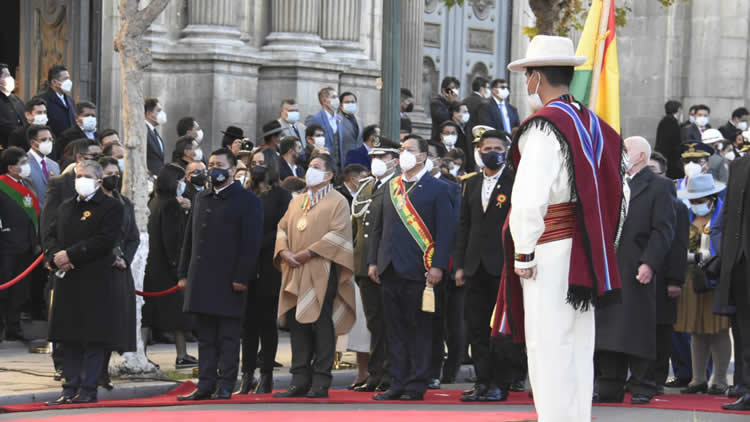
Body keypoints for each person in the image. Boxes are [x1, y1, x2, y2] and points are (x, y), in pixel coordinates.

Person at [492, 35, 625, 422]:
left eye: (527, 76)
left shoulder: (544, 127)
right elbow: (621, 191)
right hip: (583, 252)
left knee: (548, 347)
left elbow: (529, 196)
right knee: (578, 349)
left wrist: (523, 252)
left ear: (535, 78)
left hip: (549, 250)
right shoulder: (595, 124)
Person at [368, 136, 457, 400]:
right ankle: (397, 381)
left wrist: (439, 265)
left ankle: (417, 383)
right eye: (402, 149)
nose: (404, 154)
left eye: (409, 150)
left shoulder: (437, 188)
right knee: (394, 330)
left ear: (422, 156)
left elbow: (446, 231)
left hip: (421, 271)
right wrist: (373, 260)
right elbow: (378, 228)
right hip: (389, 268)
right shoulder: (391, 187)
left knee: (419, 328)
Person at [176, 148, 263, 401]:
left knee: (227, 336)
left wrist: (241, 277)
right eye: (210, 163)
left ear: (233, 170)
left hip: (229, 279)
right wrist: (183, 273)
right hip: (201, 277)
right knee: (205, 336)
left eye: (219, 164)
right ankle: (205, 383)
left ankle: (225, 383)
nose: (213, 168)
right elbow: (189, 240)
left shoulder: (247, 201)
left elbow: (251, 243)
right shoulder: (203, 198)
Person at [594, 136, 675, 405]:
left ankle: (643, 384)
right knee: (607, 327)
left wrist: (650, 262)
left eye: (624, 150)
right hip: (609, 266)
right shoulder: (611, 183)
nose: (619, 155)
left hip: (636, 266)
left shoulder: (659, 187)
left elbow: (663, 230)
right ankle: (609, 384)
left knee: (637, 327)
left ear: (640, 156)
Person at [273, 153, 356, 399]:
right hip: (295, 268)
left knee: (320, 322)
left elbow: (340, 234)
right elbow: (282, 228)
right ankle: (299, 379)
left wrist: (310, 252)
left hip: (322, 268)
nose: (311, 170)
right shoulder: (296, 201)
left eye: (317, 167)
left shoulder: (338, 201)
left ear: (329, 175)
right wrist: (285, 251)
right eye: (309, 166)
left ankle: (321, 380)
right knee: (297, 322)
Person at [44, 160, 124, 405]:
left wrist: (72, 255)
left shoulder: (111, 207)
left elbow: (104, 240)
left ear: (99, 181)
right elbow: (50, 235)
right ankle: (69, 388)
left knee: (92, 337)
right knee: (69, 336)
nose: (81, 180)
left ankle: (88, 388)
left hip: (95, 279)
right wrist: (55, 257)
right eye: (79, 175)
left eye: (87, 176)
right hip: (68, 280)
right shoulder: (66, 206)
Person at [455, 129, 517, 401]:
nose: (491, 151)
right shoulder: (470, 183)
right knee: (476, 326)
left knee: (501, 329)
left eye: (497, 147)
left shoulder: (516, 180)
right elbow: (464, 226)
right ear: (478, 151)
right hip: (474, 266)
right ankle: (481, 381)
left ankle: (500, 383)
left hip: (503, 266)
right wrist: (459, 265)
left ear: (506, 150)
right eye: (486, 147)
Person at [237, 148, 291, 395]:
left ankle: (266, 374)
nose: (257, 166)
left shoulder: (282, 196)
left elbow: (282, 227)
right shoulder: (245, 193)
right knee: (247, 325)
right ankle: (246, 374)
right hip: (246, 265)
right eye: (254, 163)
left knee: (266, 322)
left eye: (262, 162)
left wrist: (256, 242)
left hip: (269, 265)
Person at [673, 173, 731, 396]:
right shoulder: (686, 216)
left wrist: (711, 256)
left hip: (715, 278)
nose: (697, 204)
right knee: (697, 330)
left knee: (718, 329)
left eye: (700, 200)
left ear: (712, 197)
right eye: (693, 200)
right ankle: (698, 379)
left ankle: (719, 379)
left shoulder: (722, 216)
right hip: (691, 279)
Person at [350, 139, 400, 393]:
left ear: (395, 160)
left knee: (389, 321)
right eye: (374, 156)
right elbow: (357, 225)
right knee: (373, 322)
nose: (377, 161)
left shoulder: (399, 185)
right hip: (363, 263)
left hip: (385, 264)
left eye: (384, 156)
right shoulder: (367, 185)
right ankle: (376, 373)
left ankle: (390, 374)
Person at [142, 163, 198, 369]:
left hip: (152, 266)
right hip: (168, 269)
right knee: (176, 315)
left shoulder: (154, 202)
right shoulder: (171, 206)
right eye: (181, 180)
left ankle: (144, 352)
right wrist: (179, 269)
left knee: (149, 314)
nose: (183, 184)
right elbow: (173, 239)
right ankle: (181, 354)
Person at [645, 152, 688, 391]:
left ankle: (657, 377)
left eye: (652, 170)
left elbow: (678, 246)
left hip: (664, 277)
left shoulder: (677, 207)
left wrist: (674, 279)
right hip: (641, 275)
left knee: (662, 329)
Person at [95, 156, 138, 390]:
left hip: (121, 270)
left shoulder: (125, 202)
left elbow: (133, 237)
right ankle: (95, 371)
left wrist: (125, 259)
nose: (114, 177)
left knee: (116, 323)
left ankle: (104, 371)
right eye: (109, 173)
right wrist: (111, 257)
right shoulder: (95, 202)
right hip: (100, 268)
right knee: (98, 322)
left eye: (116, 173)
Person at [718, 149, 750, 411]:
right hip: (740, 261)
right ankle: (747, 388)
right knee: (744, 328)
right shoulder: (738, 165)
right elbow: (729, 213)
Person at [0, 147, 39, 342]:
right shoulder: (1, 186)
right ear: (10, 167)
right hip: (6, 246)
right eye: (22, 163)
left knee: (20, 291)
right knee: (4, 289)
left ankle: (14, 328)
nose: (26, 167)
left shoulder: (27, 184)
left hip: (27, 245)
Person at [307, 87, 345, 169]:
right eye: (334, 97)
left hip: (339, 166)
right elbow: (309, 142)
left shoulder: (340, 119)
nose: (337, 100)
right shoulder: (315, 119)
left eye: (337, 97)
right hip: (324, 164)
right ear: (324, 101)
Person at [38, 65, 76, 139]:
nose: (69, 82)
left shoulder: (70, 100)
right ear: (54, 82)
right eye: (65, 79)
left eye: (69, 78)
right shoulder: (42, 99)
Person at [25, 125, 59, 207]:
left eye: (50, 139)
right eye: (44, 140)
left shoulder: (54, 165)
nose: (48, 142)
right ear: (32, 142)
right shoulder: (23, 164)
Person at [654, 100, 685, 179]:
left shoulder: (666, 121)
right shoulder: (671, 122)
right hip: (670, 161)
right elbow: (673, 143)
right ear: (678, 110)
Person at [0, 64, 25, 149]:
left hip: (20, 146)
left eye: (10, 75)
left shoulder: (16, 99)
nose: (11, 78)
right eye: (7, 76)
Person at [430, 76, 460, 141]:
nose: (455, 91)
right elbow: (443, 118)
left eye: (456, 89)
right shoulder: (436, 102)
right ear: (444, 90)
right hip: (439, 140)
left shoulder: (456, 104)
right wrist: (453, 103)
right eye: (452, 88)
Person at [144, 98, 167, 176]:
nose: (162, 113)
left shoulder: (154, 132)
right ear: (149, 114)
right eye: (159, 110)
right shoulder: (143, 131)